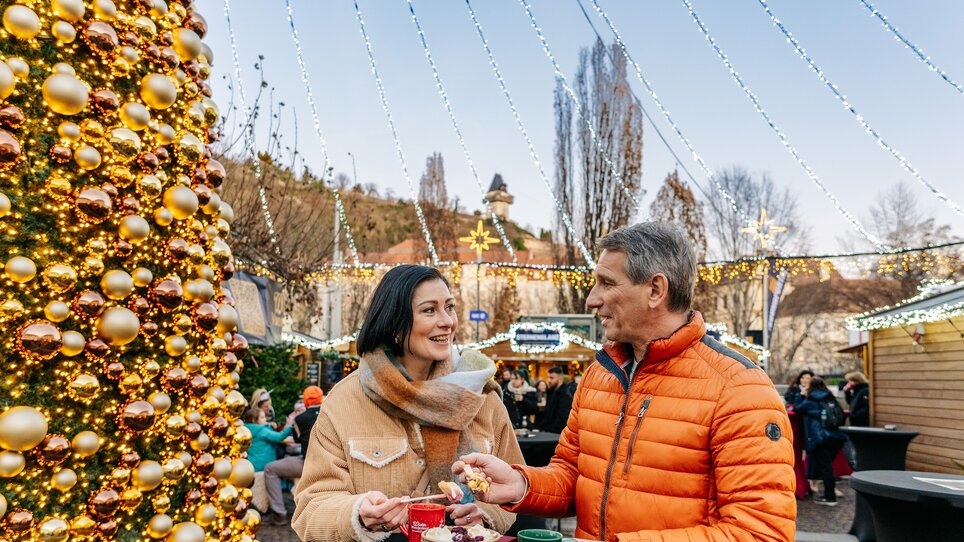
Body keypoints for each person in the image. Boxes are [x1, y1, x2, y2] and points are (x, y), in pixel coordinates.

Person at [454, 222, 795, 541]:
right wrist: (522, 484)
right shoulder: (599, 375)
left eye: (607, 283)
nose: (592, 299)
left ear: (655, 290)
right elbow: (572, 477)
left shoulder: (739, 389)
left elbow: (760, 532)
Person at [291, 265, 522, 541]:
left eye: (449, 307)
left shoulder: (482, 397)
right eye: (429, 310)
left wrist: (484, 514)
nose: (447, 321)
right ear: (395, 323)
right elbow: (310, 509)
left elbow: (512, 491)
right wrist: (358, 514)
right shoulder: (344, 401)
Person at [263, 386, 324, 525]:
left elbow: (296, 440)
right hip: (331, 463)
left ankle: (279, 514)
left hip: (308, 464)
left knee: (270, 469)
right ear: (321, 399)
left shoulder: (300, 419)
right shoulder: (331, 413)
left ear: (306, 401)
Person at [793, 376, 847, 506]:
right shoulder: (829, 397)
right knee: (827, 466)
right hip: (835, 436)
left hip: (820, 437)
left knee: (825, 467)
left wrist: (801, 394)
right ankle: (828, 492)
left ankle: (830, 497)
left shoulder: (811, 399)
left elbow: (797, 408)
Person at [537, 367, 572, 434]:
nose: (549, 380)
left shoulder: (565, 395)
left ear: (560, 378)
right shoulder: (551, 391)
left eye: (552, 378)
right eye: (548, 377)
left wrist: (550, 430)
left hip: (556, 434)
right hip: (547, 432)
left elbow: (563, 419)